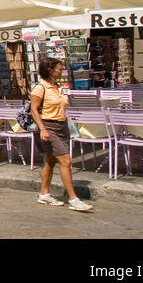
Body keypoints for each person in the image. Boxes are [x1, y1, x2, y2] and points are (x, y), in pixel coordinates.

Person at [31, 58, 92, 212]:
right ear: (50, 70)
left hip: (61, 126)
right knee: (66, 161)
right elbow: (34, 110)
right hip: (48, 126)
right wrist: (43, 129)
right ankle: (74, 198)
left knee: (50, 161)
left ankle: (44, 194)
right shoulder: (40, 88)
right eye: (59, 69)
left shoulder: (57, 87)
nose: (61, 71)